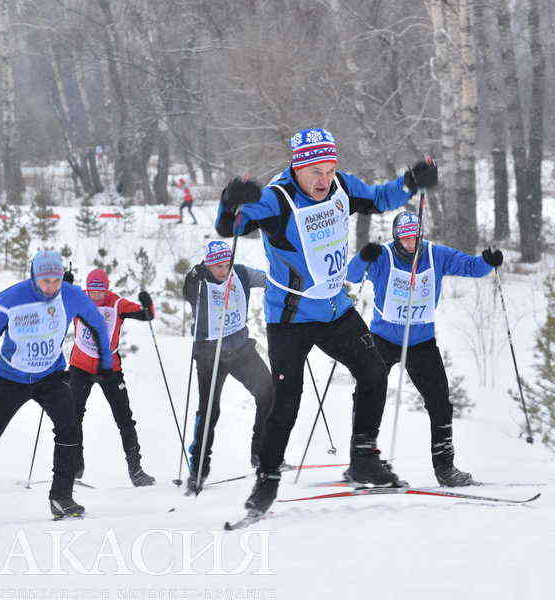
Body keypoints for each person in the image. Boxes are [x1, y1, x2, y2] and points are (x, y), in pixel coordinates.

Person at [215, 126, 438, 515]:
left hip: (335, 310)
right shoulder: (277, 199)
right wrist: (230, 201)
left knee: (373, 372)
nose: (323, 179)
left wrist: (409, 182)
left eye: (329, 169)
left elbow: (380, 198)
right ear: (297, 169)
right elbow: (229, 227)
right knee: (286, 400)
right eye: (314, 171)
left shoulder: (342, 187)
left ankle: (364, 458)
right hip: (290, 317)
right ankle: (266, 480)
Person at [0, 251, 113, 525]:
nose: (51, 287)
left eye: (56, 280)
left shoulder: (71, 295)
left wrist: (105, 363)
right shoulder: (10, 299)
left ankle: (61, 497)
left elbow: (97, 322)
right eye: (45, 281)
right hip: (10, 379)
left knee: (70, 427)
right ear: (33, 277)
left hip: (50, 377)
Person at [347, 212, 503, 486]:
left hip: (421, 342)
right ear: (396, 236)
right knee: (366, 396)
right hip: (384, 338)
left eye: (414, 235)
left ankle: (446, 469)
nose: (410, 242)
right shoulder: (383, 256)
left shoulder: (435, 254)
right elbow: (351, 274)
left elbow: (470, 267)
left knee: (440, 402)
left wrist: (487, 262)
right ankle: (360, 462)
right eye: (404, 236)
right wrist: (364, 256)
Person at [182, 241, 274, 494]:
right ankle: (198, 470)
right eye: (218, 266)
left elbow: (269, 280)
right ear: (208, 264)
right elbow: (187, 290)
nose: (224, 271)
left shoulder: (241, 273)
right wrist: (194, 275)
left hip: (240, 348)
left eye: (227, 265)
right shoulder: (199, 280)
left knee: (268, 392)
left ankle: (260, 453)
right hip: (210, 354)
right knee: (209, 410)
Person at [65, 268, 157, 487]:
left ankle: (136, 470)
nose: (95, 295)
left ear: (106, 289)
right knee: (72, 416)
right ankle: (75, 465)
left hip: (110, 369)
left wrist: (148, 304)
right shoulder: (79, 299)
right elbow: (54, 305)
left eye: (100, 291)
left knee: (124, 418)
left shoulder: (116, 304)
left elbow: (147, 315)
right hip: (80, 366)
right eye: (92, 291)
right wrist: (65, 287)